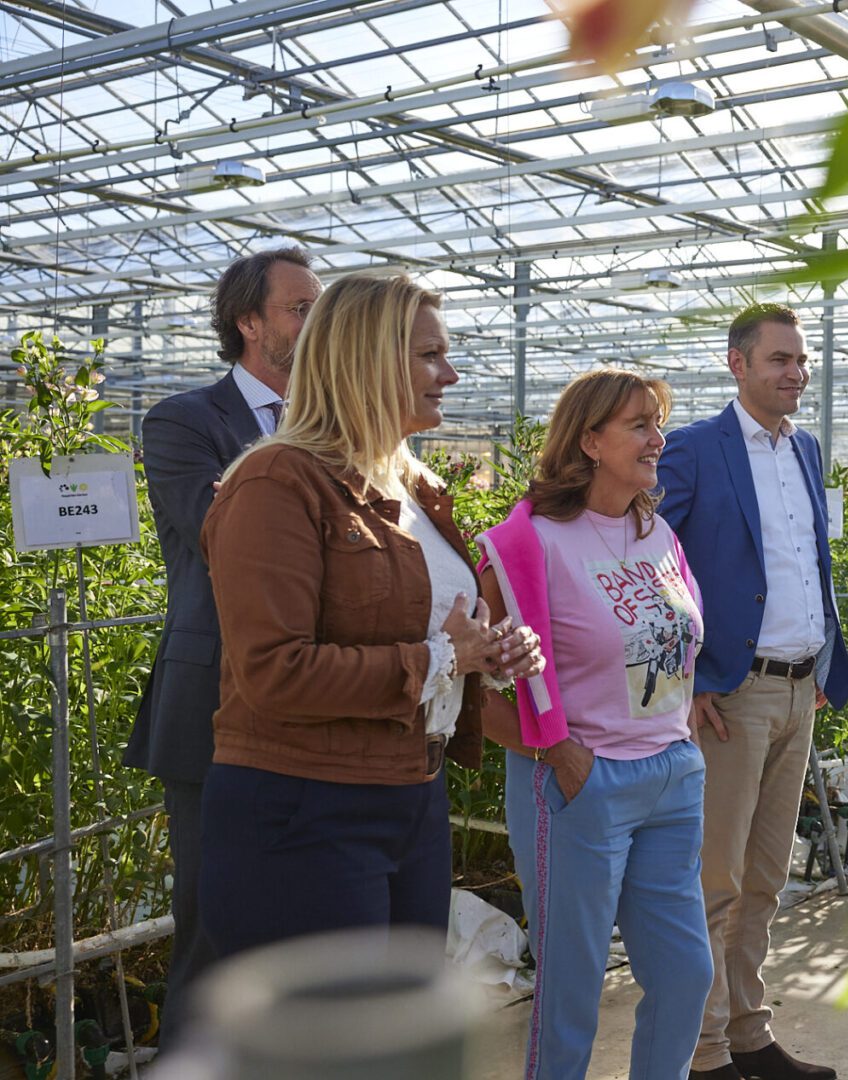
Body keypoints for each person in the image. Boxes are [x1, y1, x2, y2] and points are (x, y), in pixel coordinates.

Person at [195, 271, 541, 961]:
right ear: (366, 360)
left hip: (411, 793)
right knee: (331, 1022)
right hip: (307, 808)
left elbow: (423, 630)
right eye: (429, 355)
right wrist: (446, 657)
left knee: (400, 1016)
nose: (450, 374)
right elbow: (274, 672)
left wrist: (485, 653)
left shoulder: (414, 487)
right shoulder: (276, 481)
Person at [475, 368, 710, 1080]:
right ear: (589, 440)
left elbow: (676, 650)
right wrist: (562, 755)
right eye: (639, 424)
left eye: (658, 422)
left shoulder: (658, 532)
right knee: (571, 993)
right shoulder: (531, 543)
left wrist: (683, 738)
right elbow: (474, 690)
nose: (657, 438)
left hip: (671, 778)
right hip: (581, 784)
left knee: (686, 974)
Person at [123, 246, 319, 1037]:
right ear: (248, 324)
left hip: (316, 697)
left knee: (305, 925)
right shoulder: (184, 420)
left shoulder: (331, 427)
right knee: (214, 923)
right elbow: (226, 536)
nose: (317, 322)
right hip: (213, 702)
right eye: (300, 308)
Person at [658, 302, 848, 1080]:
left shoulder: (804, 447)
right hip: (732, 694)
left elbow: (809, 560)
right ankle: (703, 1051)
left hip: (801, 688)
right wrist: (688, 677)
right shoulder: (695, 448)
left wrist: (822, 660)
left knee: (767, 877)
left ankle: (748, 1032)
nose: (796, 372)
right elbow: (651, 560)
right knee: (717, 879)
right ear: (737, 364)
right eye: (779, 359)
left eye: (801, 360)